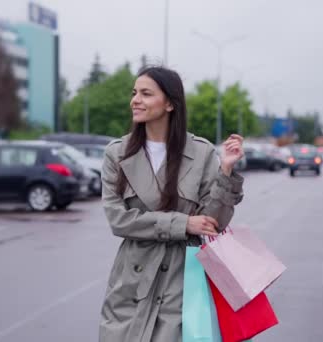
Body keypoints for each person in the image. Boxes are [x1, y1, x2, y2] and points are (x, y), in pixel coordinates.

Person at [99, 66, 245, 342]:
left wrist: (225, 170)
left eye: (145, 93)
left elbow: (213, 223)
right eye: (134, 93)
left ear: (169, 103)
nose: (135, 100)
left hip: (183, 277)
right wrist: (183, 223)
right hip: (132, 281)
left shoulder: (201, 152)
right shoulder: (116, 153)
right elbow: (118, 220)